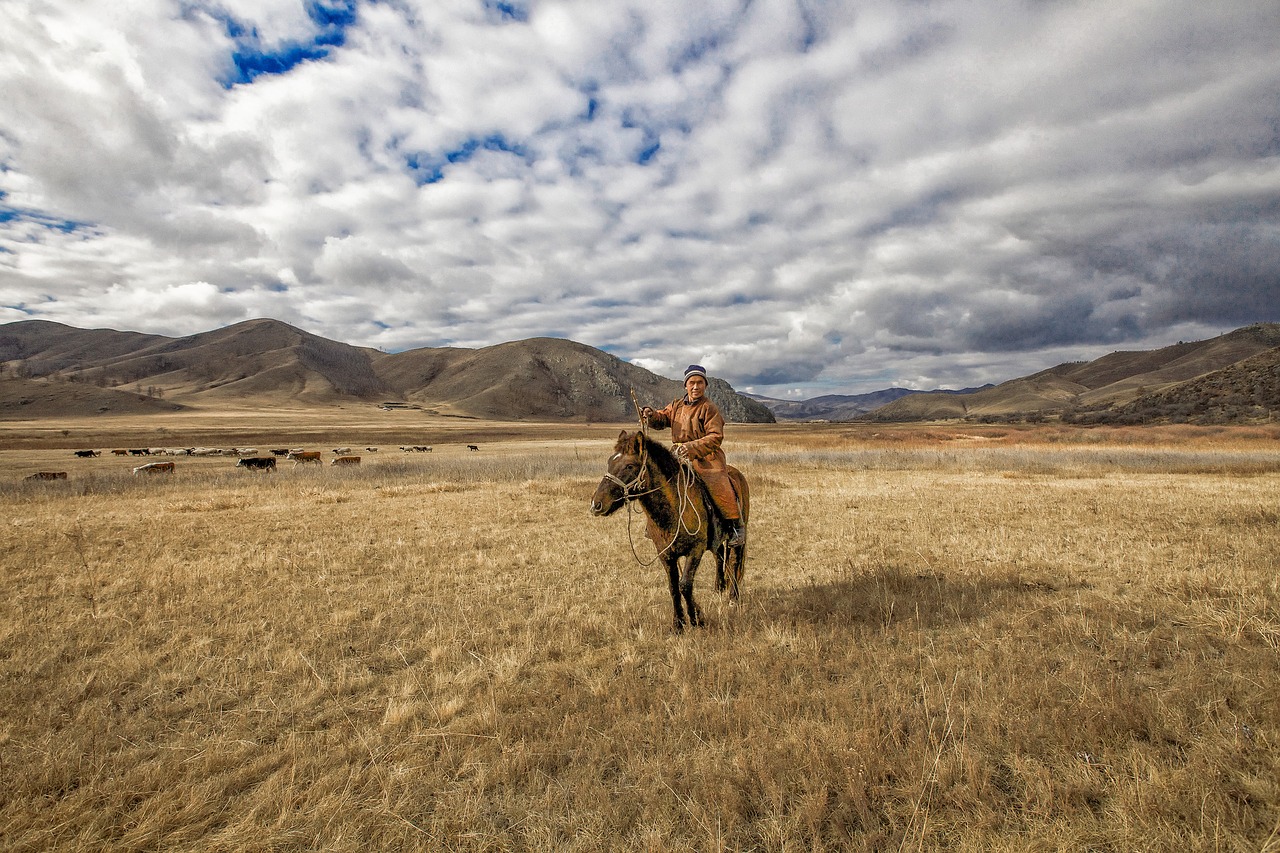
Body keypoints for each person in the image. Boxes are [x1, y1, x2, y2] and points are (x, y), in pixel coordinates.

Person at [640, 364, 746, 546]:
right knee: (659, 481)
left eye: (699, 383)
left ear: (705, 385)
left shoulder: (709, 408)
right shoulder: (676, 405)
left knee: (718, 483)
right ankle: (656, 524)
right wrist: (650, 415)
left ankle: (736, 526)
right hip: (678, 455)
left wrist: (691, 448)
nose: (695, 387)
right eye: (692, 383)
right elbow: (662, 418)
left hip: (707, 457)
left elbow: (715, 436)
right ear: (685, 385)